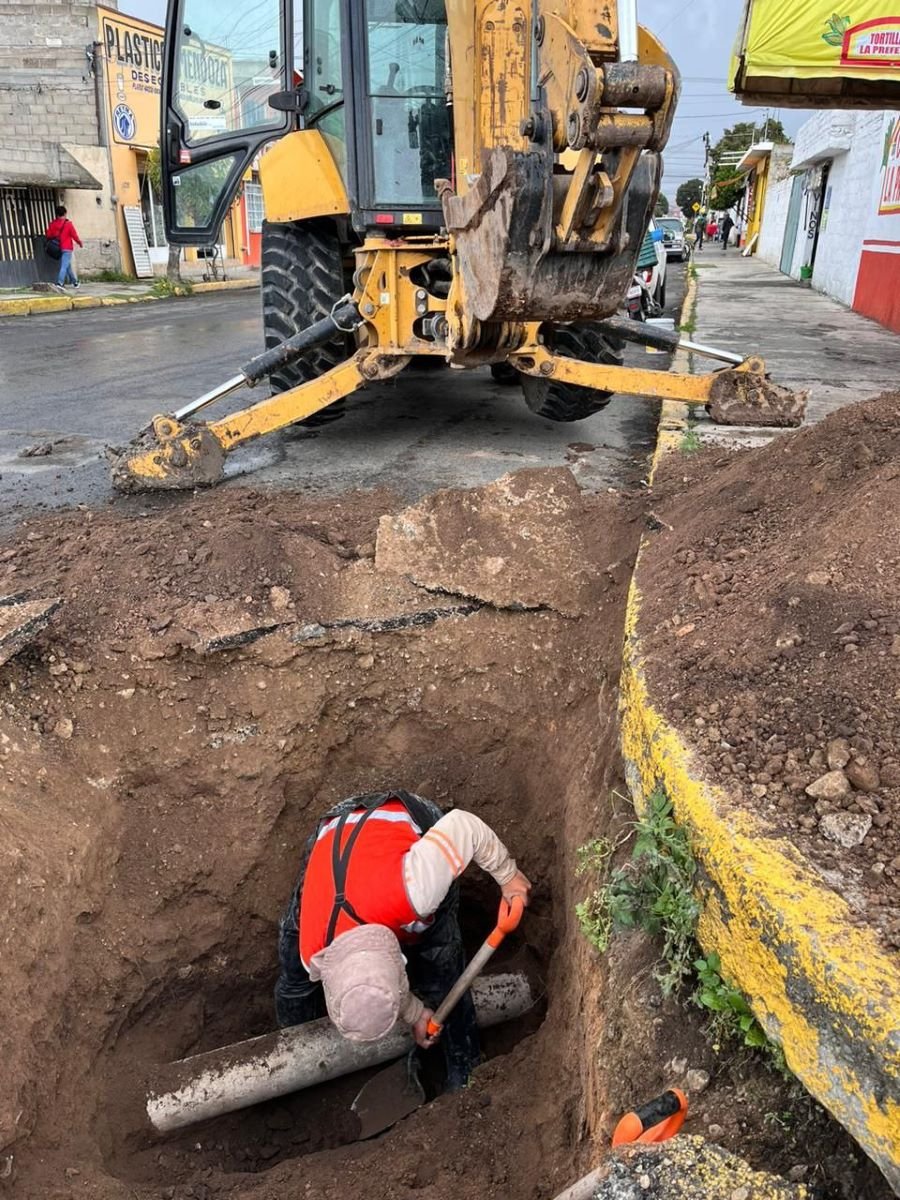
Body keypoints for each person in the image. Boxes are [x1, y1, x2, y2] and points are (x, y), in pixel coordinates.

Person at [275, 789, 531, 1091]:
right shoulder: (309, 949)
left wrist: (509, 876)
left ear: (400, 963)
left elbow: (464, 826)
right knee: (294, 983)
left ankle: (465, 1067)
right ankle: (296, 1055)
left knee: (442, 966)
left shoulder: (415, 889)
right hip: (333, 832)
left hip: (396, 820)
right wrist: (416, 1013)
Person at [45, 205, 82, 289]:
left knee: (67, 266)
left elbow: (48, 235)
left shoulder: (52, 224)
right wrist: (79, 242)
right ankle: (60, 283)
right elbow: (74, 235)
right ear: (65, 213)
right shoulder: (68, 224)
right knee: (64, 266)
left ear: (57, 214)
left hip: (57, 248)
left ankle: (75, 282)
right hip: (67, 248)